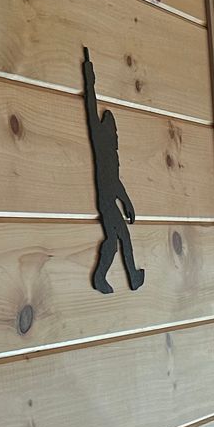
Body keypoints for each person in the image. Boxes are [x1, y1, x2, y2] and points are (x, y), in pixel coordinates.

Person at [82, 47, 144, 293]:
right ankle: (122, 276)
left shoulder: (112, 156)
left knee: (115, 240)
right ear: (107, 129)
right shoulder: (100, 141)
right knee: (119, 239)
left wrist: (127, 202)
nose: (115, 134)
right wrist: (89, 74)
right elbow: (90, 104)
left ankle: (114, 276)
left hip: (110, 200)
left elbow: (115, 182)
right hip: (106, 202)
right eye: (113, 129)